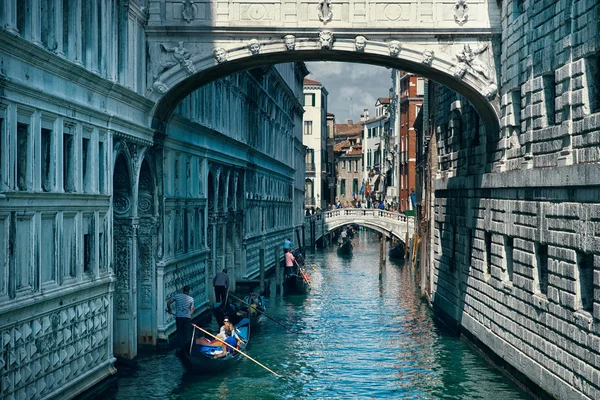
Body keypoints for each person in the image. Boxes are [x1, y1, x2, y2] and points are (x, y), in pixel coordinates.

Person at [166, 285, 194, 352]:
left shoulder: (177, 296)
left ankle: (180, 347)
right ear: (188, 291)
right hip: (187, 317)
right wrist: (189, 314)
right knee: (186, 333)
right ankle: (186, 348)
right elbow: (192, 310)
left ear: (183, 290)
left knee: (179, 332)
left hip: (178, 317)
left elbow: (168, 303)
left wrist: (169, 309)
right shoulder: (191, 299)